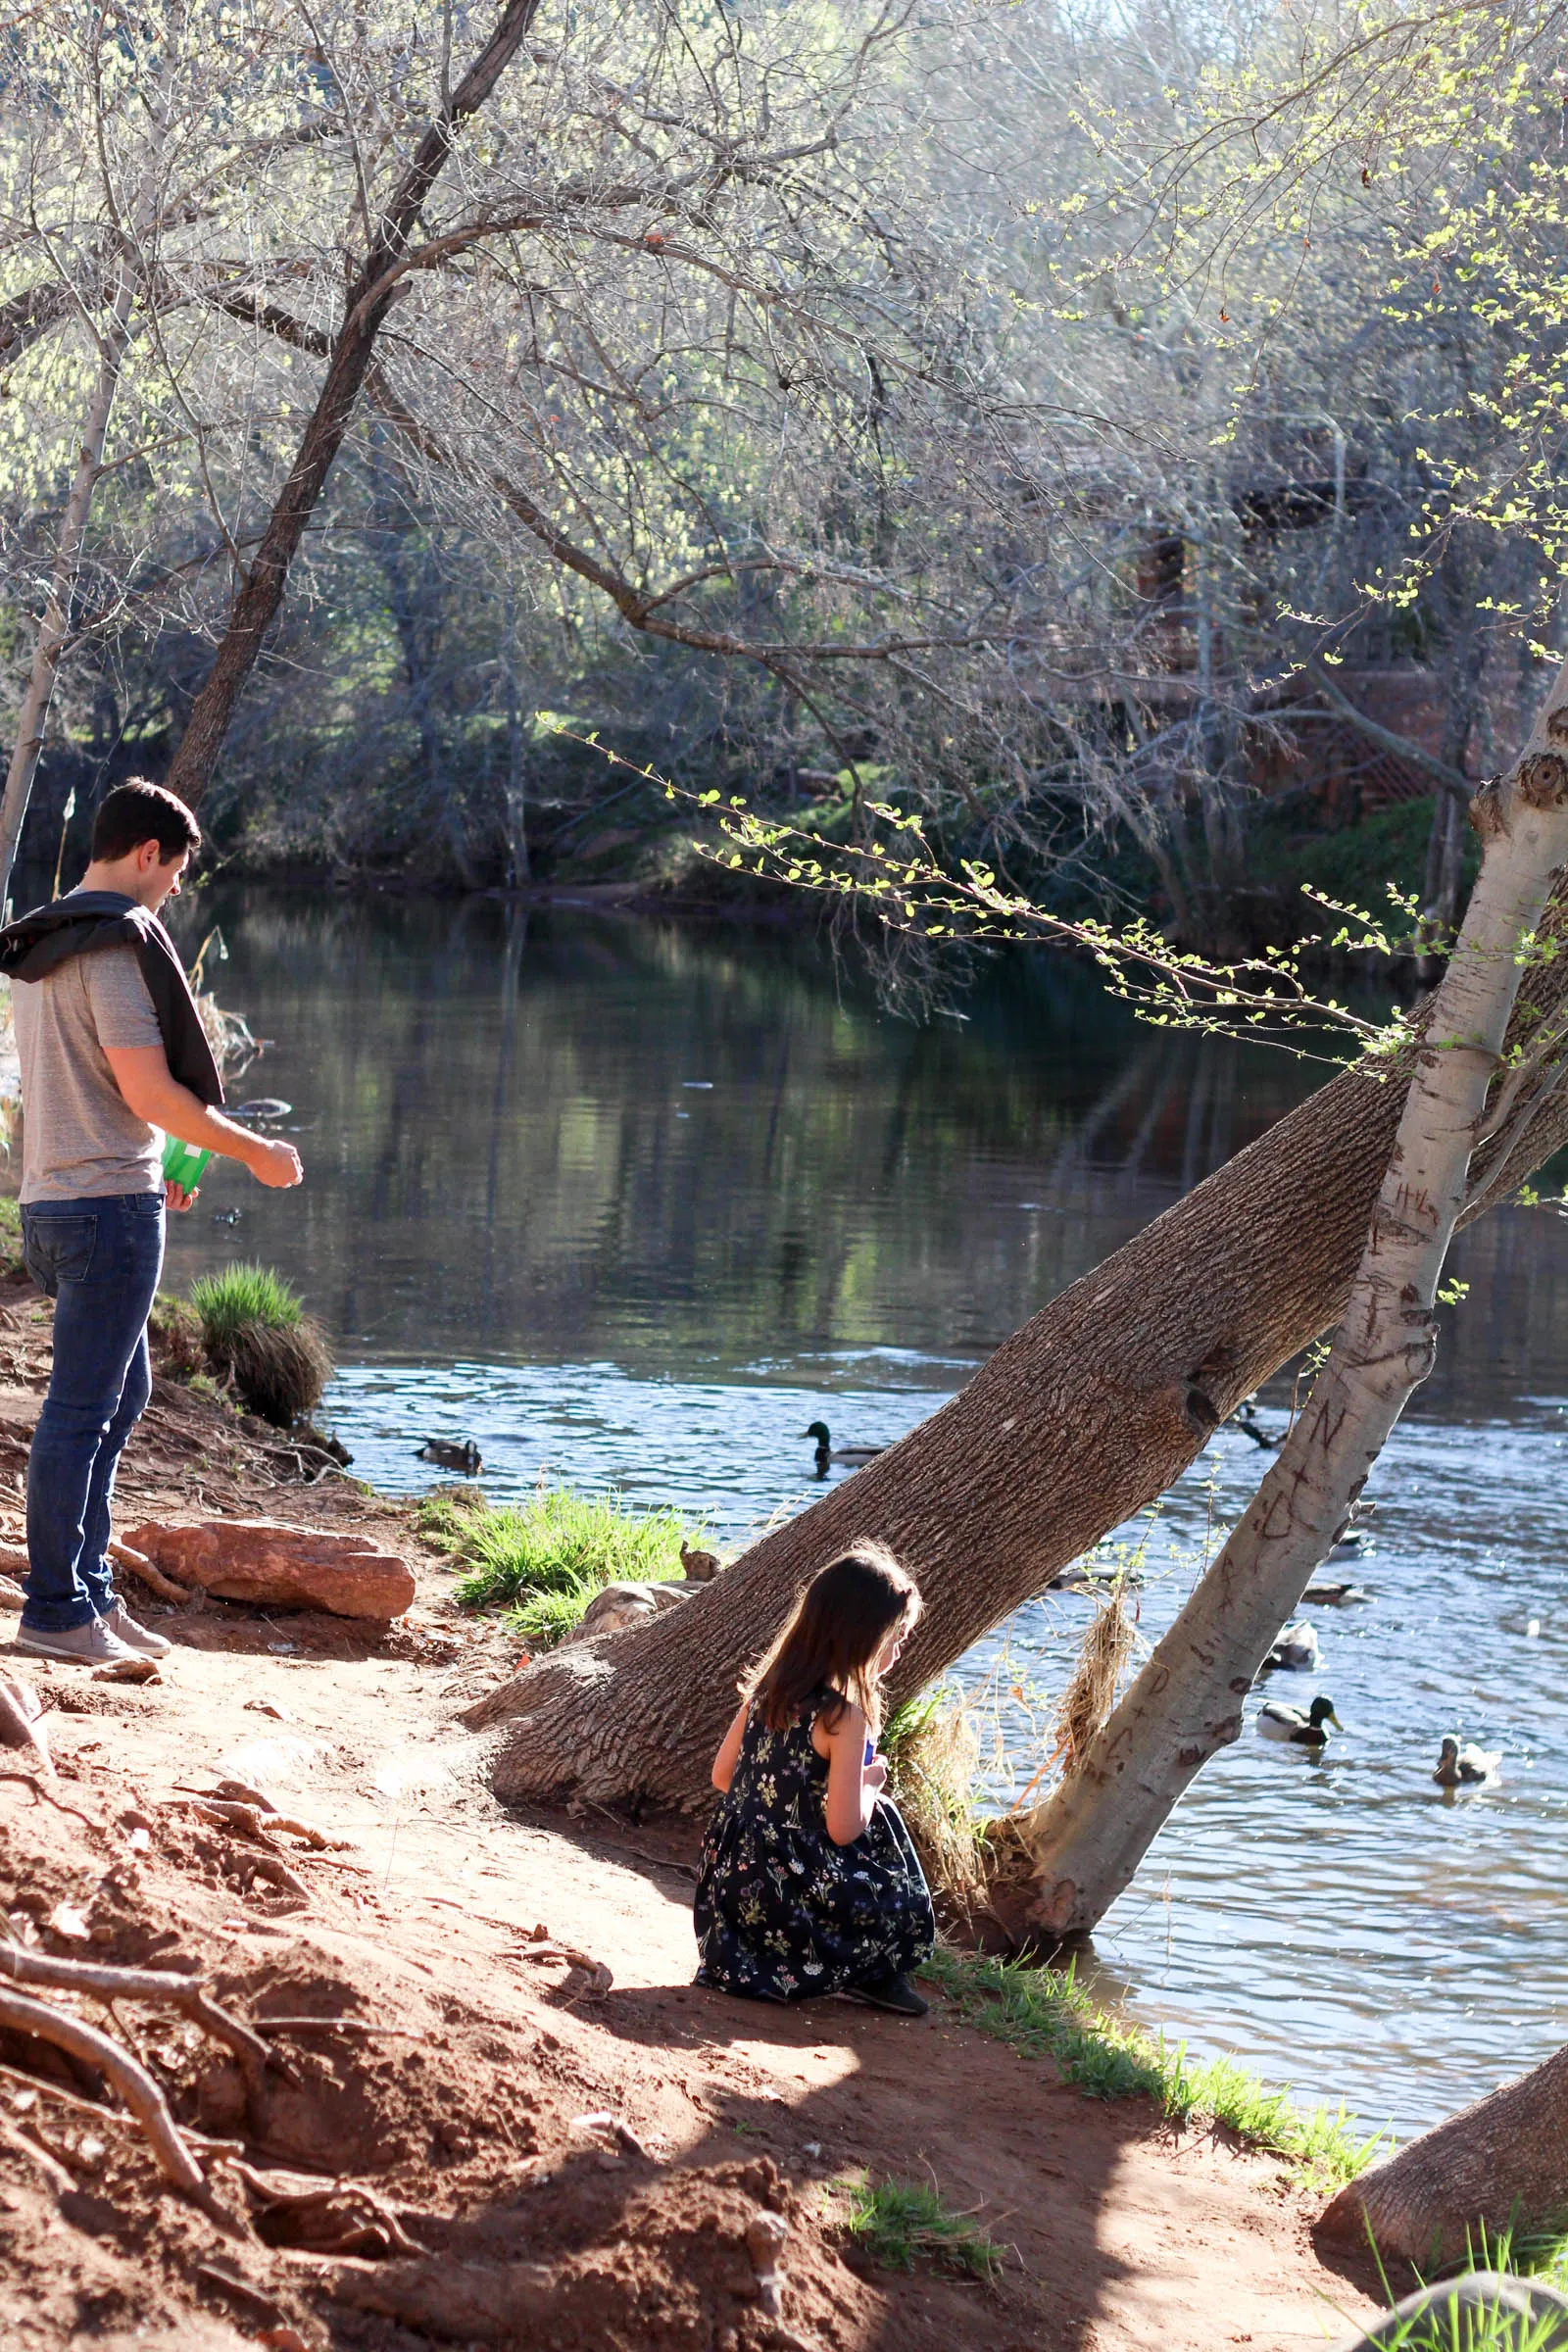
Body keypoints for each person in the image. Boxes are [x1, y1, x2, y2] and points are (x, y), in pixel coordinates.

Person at [0, 779, 303, 1665]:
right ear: (146, 854)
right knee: (81, 1410)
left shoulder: (44, 938)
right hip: (107, 1210)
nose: (172, 889)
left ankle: (88, 1591)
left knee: (117, 1395)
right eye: (172, 872)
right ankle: (57, 1611)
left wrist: (174, 1153)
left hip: (52, 1203)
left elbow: (95, 1083)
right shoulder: (113, 944)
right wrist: (254, 1151)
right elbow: (147, 1091)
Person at [694, 1543, 936, 2016]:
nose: (901, 1648)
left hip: (731, 1903)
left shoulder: (767, 1692)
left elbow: (723, 1777)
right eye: (898, 1636)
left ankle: (751, 1962)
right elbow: (844, 1829)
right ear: (865, 1637)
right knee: (880, 1820)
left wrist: (793, 1800)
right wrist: (869, 1784)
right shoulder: (844, 1717)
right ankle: (875, 1970)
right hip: (790, 1909)